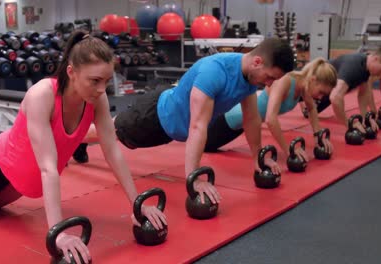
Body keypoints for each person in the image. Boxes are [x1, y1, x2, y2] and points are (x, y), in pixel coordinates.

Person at [0, 30, 166, 264]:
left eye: (106, 81)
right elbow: (48, 168)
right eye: (95, 81)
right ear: (72, 72)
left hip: (24, 182)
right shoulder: (42, 95)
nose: (102, 89)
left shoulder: (96, 99)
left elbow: (112, 151)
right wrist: (59, 233)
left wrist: (137, 205)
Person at [74, 38, 294, 204]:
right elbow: (197, 126)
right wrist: (194, 179)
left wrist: (257, 157)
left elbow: (252, 118)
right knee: (107, 133)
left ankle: (76, 139)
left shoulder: (248, 77)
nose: (269, 85)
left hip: (171, 123)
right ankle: (71, 138)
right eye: (270, 77)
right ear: (257, 62)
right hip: (154, 117)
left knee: (108, 132)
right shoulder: (215, 72)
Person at [204, 58, 338, 163]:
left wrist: (318, 138)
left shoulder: (304, 87)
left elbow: (312, 109)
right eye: (321, 92)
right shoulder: (285, 80)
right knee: (206, 147)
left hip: (242, 125)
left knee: (213, 148)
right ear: (313, 80)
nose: (320, 97)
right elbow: (270, 119)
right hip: (228, 119)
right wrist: (288, 150)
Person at [300, 45, 381, 132]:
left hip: (325, 90)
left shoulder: (365, 69)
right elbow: (335, 97)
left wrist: (366, 119)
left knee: (308, 112)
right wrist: (349, 124)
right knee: (294, 103)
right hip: (311, 84)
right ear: (376, 59)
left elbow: (363, 94)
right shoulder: (354, 66)